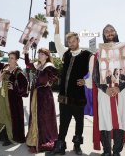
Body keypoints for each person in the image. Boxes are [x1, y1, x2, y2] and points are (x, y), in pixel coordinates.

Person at [92, 24, 125, 156]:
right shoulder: (98, 53)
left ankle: (116, 151)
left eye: (111, 30)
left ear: (116, 32)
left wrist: (118, 87)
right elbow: (95, 75)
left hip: (122, 91)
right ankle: (106, 151)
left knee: (121, 120)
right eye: (106, 31)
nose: (109, 33)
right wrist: (105, 89)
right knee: (105, 120)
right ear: (103, 35)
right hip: (105, 92)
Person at [50, 17, 93, 155]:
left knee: (79, 123)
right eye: (69, 41)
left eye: (73, 41)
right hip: (64, 97)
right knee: (63, 123)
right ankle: (60, 145)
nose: (71, 43)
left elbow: (95, 72)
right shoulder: (66, 54)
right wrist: (57, 25)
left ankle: (77, 146)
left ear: (78, 41)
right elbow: (57, 41)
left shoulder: (87, 55)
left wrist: (86, 82)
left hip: (78, 97)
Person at [0, 43, 28, 146]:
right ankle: (3, 134)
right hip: (3, 97)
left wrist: (15, 88)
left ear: (16, 60)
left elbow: (25, 88)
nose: (9, 59)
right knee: (3, 115)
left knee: (11, 117)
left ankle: (11, 136)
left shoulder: (19, 72)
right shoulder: (5, 67)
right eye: (9, 57)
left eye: (12, 58)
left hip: (13, 101)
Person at [23, 47, 58, 153]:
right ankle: (33, 138)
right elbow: (28, 64)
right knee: (34, 116)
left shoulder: (49, 66)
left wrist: (50, 82)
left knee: (43, 118)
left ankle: (41, 140)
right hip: (36, 94)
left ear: (47, 56)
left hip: (44, 96)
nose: (39, 55)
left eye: (42, 54)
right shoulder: (38, 65)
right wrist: (26, 53)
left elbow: (55, 77)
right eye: (39, 53)